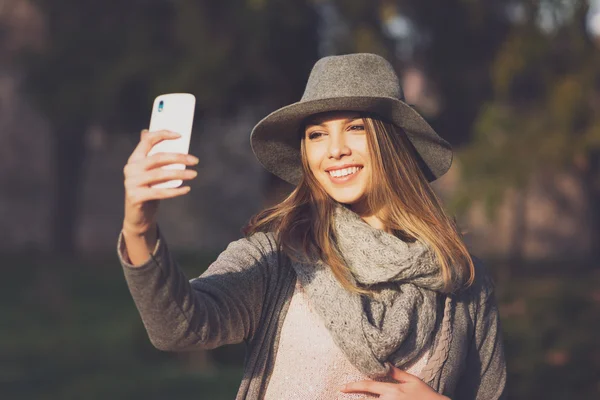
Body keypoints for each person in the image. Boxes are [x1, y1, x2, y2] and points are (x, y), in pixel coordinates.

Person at [118, 53, 507, 399]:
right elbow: (179, 328)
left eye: (355, 128)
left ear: (393, 143)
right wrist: (139, 226)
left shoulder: (463, 281)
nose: (334, 149)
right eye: (317, 134)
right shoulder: (276, 257)